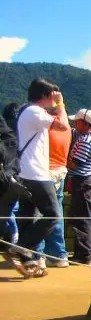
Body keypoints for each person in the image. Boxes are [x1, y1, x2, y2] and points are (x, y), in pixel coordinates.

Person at [2, 79, 71, 277]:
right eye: (53, 97)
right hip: (36, 174)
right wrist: (61, 104)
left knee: (27, 217)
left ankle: (28, 262)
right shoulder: (35, 112)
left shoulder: (27, 111)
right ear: (45, 96)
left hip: (25, 173)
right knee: (53, 215)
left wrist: (55, 106)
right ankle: (18, 249)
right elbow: (63, 126)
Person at [32, 103, 72, 268]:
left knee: (40, 214)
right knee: (57, 214)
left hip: (45, 173)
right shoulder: (67, 129)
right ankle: (58, 255)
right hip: (60, 171)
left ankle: (38, 255)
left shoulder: (47, 127)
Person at [66, 108, 91, 264]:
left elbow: (74, 164)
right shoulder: (87, 136)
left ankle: (84, 255)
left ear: (84, 123)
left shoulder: (85, 141)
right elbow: (71, 132)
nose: (74, 124)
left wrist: (61, 158)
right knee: (80, 218)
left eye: (77, 121)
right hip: (84, 182)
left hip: (82, 182)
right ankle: (81, 253)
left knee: (82, 219)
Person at [0, 103, 21, 244]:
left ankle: (13, 236)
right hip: (18, 177)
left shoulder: (7, 138)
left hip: (7, 178)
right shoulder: (21, 133)